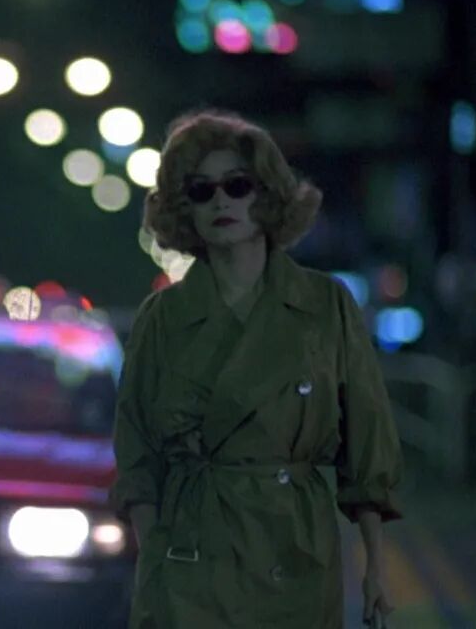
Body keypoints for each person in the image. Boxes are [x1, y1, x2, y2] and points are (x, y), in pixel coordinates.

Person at [110, 109, 403, 628]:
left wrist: (376, 569)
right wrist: (153, 558)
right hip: (191, 559)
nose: (221, 201)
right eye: (201, 191)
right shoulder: (162, 318)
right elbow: (137, 454)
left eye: (238, 185)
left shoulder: (324, 305)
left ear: (266, 195)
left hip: (293, 553)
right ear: (184, 206)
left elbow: (368, 440)